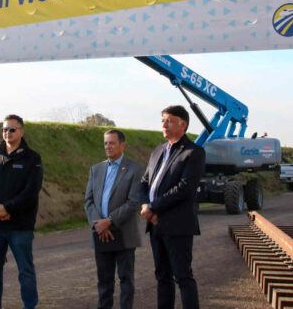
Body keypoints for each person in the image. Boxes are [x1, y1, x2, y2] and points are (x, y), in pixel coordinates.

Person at [139, 105, 205, 309]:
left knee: (183, 277)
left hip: (177, 224)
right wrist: (145, 207)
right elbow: (144, 182)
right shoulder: (158, 150)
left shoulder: (194, 152)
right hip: (155, 224)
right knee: (162, 277)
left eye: (169, 120)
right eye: (162, 121)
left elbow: (185, 188)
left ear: (183, 124)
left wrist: (153, 207)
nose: (164, 124)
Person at [0, 114, 43, 309]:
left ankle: (29, 306)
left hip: (20, 226)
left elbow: (31, 191)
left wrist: (8, 208)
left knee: (25, 270)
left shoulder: (32, 158)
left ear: (21, 131)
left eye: (12, 129)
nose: (7, 133)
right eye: (4, 129)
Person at [84, 129, 144, 309]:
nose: (108, 147)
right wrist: (99, 225)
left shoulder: (135, 169)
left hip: (124, 233)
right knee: (104, 281)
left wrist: (108, 221)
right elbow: (88, 201)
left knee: (126, 280)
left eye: (112, 143)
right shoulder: (96, 169)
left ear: (122, 145)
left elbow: (133, 202)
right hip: (101, 233)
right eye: (105, 143)